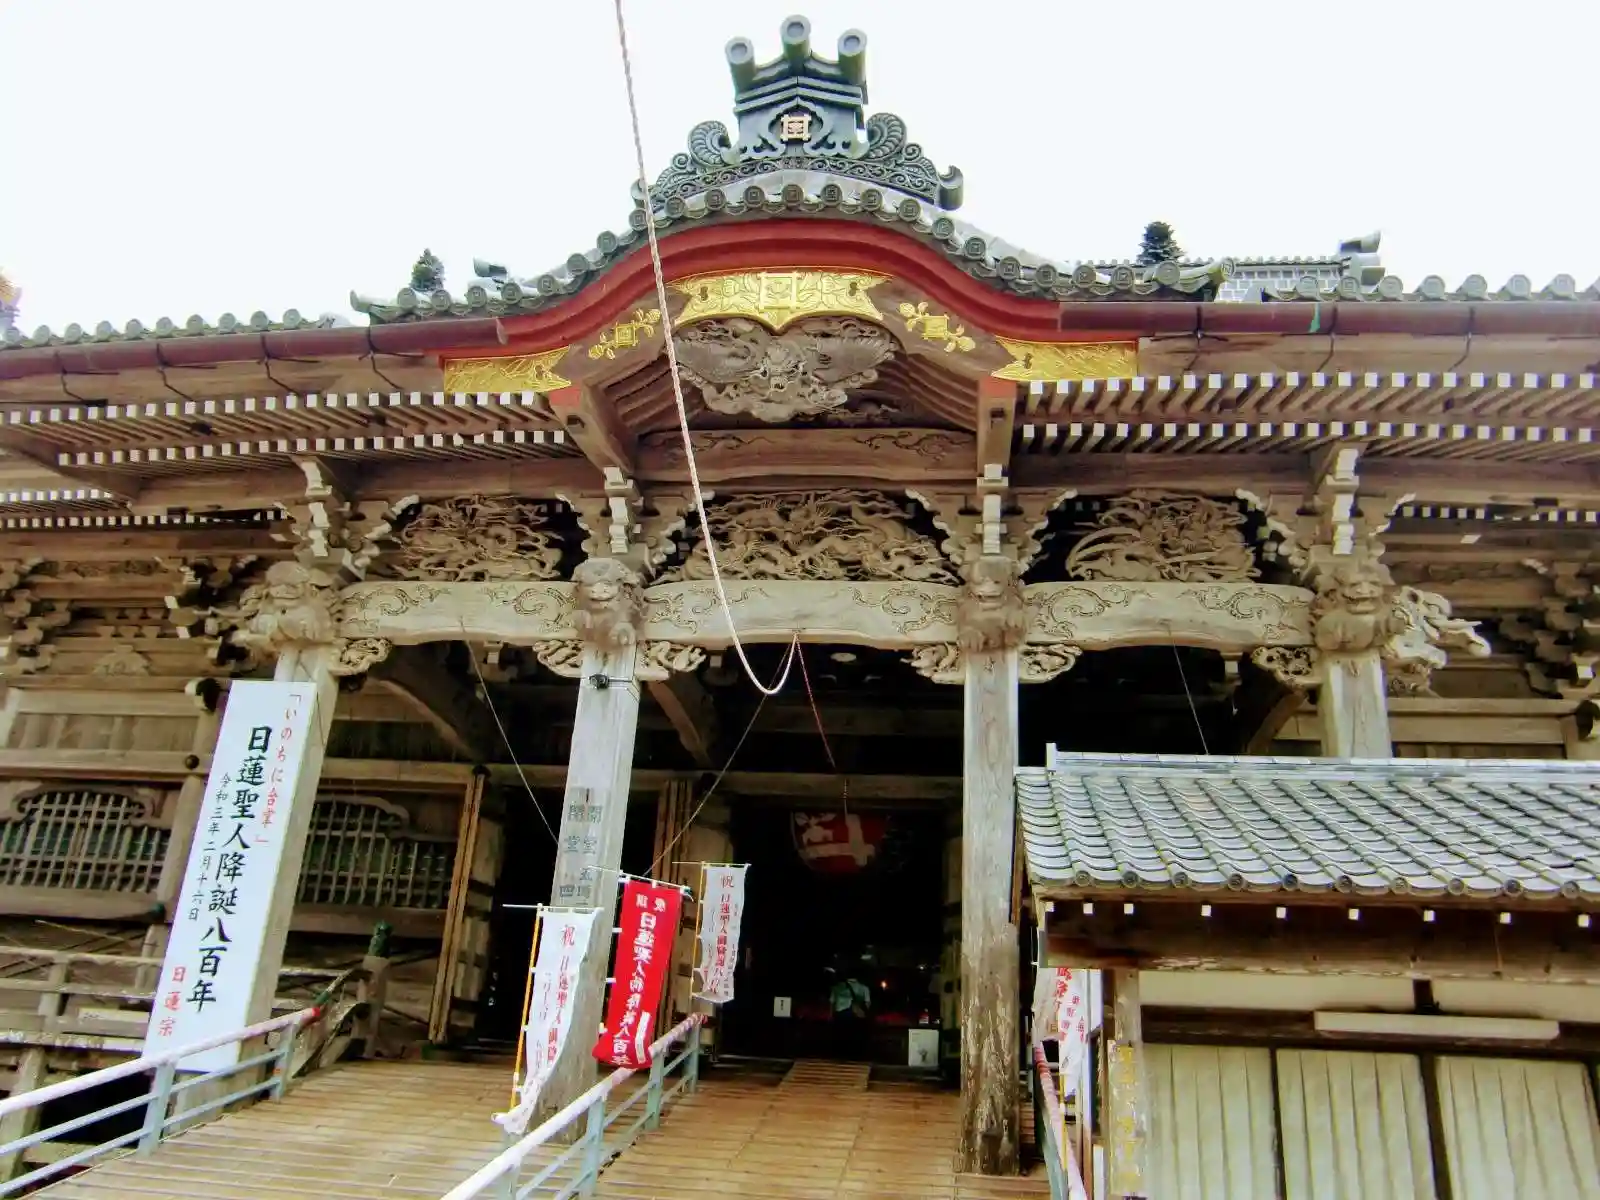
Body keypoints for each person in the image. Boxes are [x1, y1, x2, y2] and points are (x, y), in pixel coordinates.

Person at [828, 957, 871, 1060]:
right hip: (856, 1016)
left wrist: (831, 1015)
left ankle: (839, 1055)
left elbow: (832, 1003)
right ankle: (854, 1055)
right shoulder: (864, 988)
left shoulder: (836, 987)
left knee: (840, 1037)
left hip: (840, 1015)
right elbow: (868, 1004)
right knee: (854, 1037)